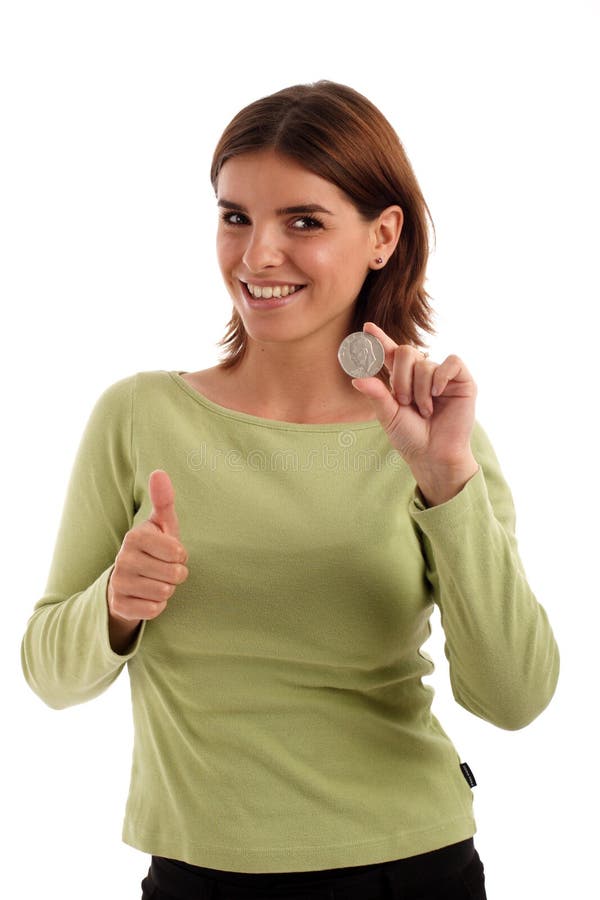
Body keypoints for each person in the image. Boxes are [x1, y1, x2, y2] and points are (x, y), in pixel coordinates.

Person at [21, 80, 560, 900]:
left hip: (408, 871)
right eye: (235, 216)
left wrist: (447, 484)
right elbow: (48, 674)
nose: (256, 254)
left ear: (383, 236)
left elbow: (515, 697)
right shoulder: (137, 416)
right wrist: (116, 605)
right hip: (197, 876)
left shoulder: (435, 437)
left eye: (302, 221)